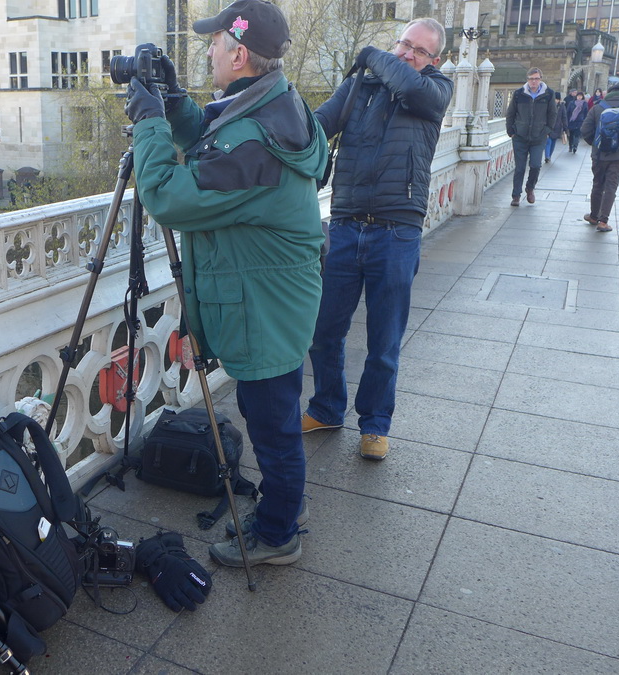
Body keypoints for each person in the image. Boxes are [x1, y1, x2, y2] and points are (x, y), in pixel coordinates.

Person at [123, 0, 327, 566]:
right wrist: (174, 103)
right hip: (277, 294)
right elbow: (214, 136)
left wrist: (147, 123)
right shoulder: (274, 106)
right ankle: (288, 505)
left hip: (265, 305)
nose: (207, 48)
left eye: (214, 42)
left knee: (272, 426)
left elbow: (168, 195)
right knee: (275, 416)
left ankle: (278, 532)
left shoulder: (254, 146)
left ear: (238, 54)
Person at [301, 18, 453, 462]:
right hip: (346, 226)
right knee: (324, 332)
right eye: (403, 44)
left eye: (418, 50)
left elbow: (411, 87)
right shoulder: (359, 88)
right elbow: (316, 127)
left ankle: (375, 425)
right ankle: (327, 407)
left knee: (383, 343)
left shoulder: (434, 90)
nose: (407, 54)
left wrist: (373, 56)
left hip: (397, 232)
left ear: (434, 60)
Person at [580, 81, 619, 233]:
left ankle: (594, 216)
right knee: (611, 185)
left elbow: (585, 130)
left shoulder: (598, 107)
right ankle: (603, 221)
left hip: (599, 154)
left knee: (597, 183)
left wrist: (596, 143)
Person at [505, 67, 556, 206]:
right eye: (531, 79)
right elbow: (510, 113)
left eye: (536, 79)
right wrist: (511, 130)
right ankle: (516, 195)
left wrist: (547, 130)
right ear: (527, 79)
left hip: (538, 137)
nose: (534, 82)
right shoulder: (519, 94)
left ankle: (530, 188)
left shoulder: (548, 94)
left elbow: (552, 114)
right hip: (520, 136)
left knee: (535, 165)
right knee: (520, 167)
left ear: (540, 79)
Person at [545, 91, 567, 162]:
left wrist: (565, 128)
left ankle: (549, 155)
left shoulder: (562, 106)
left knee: (553, 142)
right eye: (555, 99)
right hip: (549, 126)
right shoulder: (548, 105)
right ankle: (547, 156)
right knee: (548, 141)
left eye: (557, 99)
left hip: (557, 127)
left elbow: (564, 117)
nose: (556, 101)